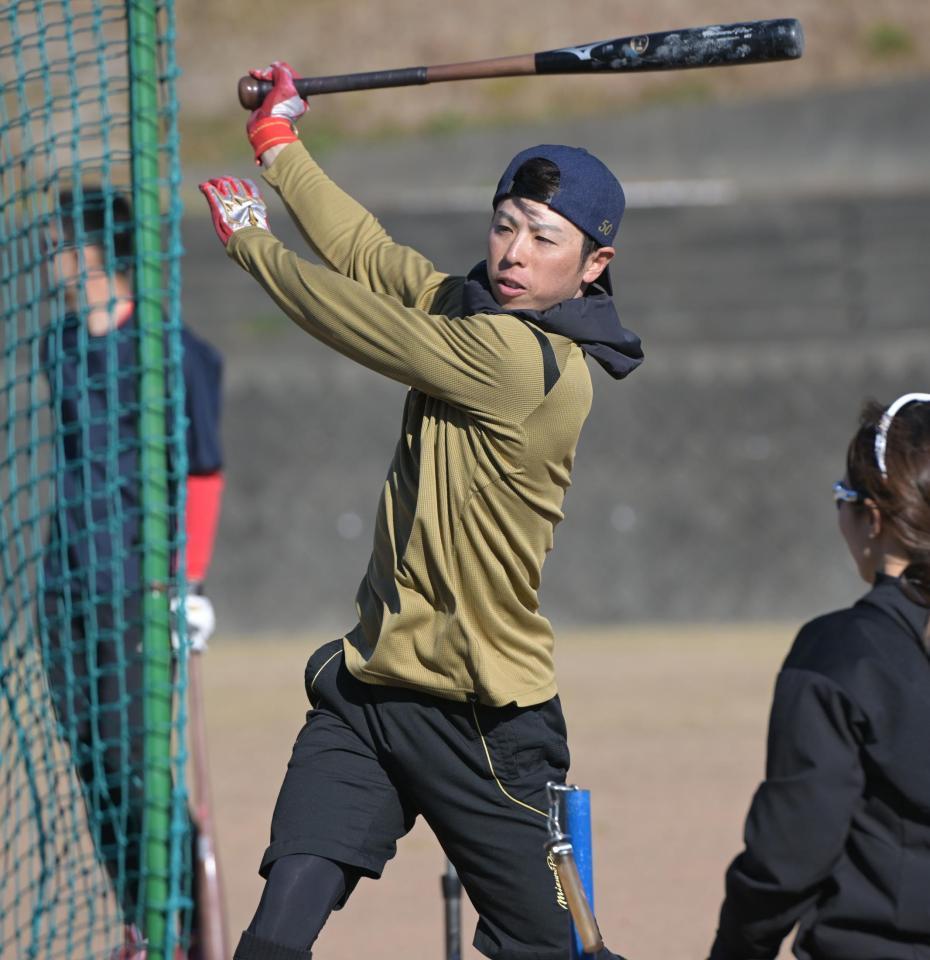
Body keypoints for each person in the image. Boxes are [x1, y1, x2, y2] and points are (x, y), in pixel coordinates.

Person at [200, 61, 643, 960]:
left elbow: (360, 319)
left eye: (545, 239)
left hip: (485, 718)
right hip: (369, 694)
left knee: (553, 951)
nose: (514, 252)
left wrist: (254, 241)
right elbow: (368, 255)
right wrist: (279, 145)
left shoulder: (526, 364)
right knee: (274, 938)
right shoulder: (474, 306)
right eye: (505, 226)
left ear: (594, 267)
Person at [40, 185, 225, 959]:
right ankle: (139, 925)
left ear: (93, 253)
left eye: (60, 242)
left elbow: (205, 472)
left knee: (133, 762)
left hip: (136, 586)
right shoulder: (56, 345)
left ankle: (182, 921)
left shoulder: (169, 350)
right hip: (65, 584)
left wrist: (189, 581)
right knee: (92, 767)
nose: (50, 258)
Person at [708, 393, 930, 960]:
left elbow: (789, 858)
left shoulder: (841, 654)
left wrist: (735, 949)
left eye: (843, 498)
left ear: (874, 519)